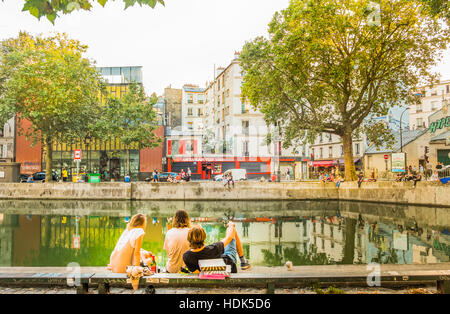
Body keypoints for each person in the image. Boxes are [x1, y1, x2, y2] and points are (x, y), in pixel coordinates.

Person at [182, 222, 250, 274]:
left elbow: (198, 273)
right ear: (204, 237)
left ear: (189, 238)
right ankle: (243, 261)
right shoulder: (213, 248)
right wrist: (231, 225)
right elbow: (229, 237)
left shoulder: (187, 256)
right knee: (232, 230)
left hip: (209, 274)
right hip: (228, 265)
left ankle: (243, 261)